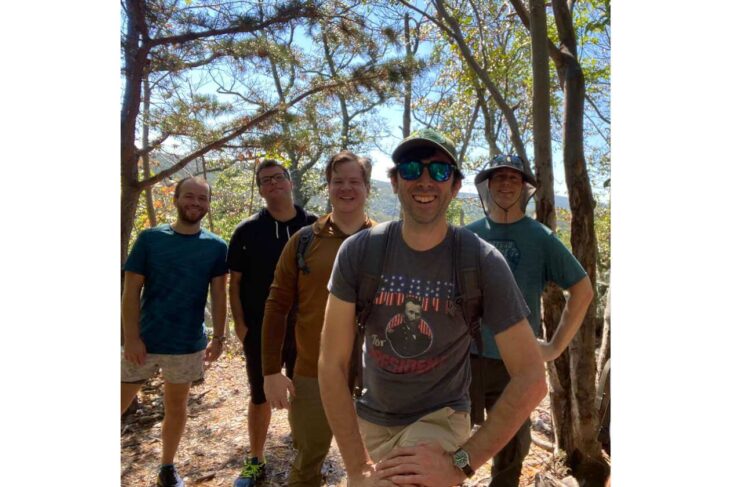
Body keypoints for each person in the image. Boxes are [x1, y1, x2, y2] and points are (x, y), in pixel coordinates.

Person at [319, 129, 547, 487]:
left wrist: (460, 464)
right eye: (411, 169)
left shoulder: (480, 260)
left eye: (439, 171)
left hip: (440, 419)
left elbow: (532, 378)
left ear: (454, 187)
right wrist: (357, 466)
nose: (425, 180)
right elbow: (330, 363)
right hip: (372, 419)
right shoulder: (360, 252)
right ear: (395, 182)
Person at [465, 154, 594, 487]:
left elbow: (582, 290)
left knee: (511, 449)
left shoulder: (540, 238)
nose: (506, 184)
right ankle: (451, 479)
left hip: (516, 366)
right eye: (499, 177)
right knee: (451, 440)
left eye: (514, 178)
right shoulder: (466, 236)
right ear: (487, 185)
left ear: (524, 188)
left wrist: (553, 348)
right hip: (464, 360)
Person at [262, 150, 375, 487]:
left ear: (367, 188)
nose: (346, 188)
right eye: (338, 181)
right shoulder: (305, 241)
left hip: (376, 376)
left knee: (378, 463)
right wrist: (271, 371)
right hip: (313, 371)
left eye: (354, 181)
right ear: (328, 186)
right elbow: (276, 305)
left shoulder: (386, 242)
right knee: (308, 458)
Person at [121, 176, 228, 487]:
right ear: (176, 199)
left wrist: (219, 337)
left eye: (202, 198)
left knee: (177, 407)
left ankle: (167, 467)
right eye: (189, 196)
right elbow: (130, 291)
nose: (195, 203)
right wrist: (131, 338)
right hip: (144, 340)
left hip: (186, 343)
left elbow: (219, 294)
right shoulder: (150, 239)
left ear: (208, 205)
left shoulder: (216, 246)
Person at [227, 159, 317, 487]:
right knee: (260, 395)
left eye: (278, 177)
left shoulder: (315, 226)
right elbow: (234, 282)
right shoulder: (247, 231)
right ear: (260, 189)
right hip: (260, 328)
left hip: (305, 327)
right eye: (266, 180)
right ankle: (256, 459)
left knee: (304, 393)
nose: (273, 184)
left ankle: (306, 456)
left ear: (290, 182)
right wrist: (239, 324)